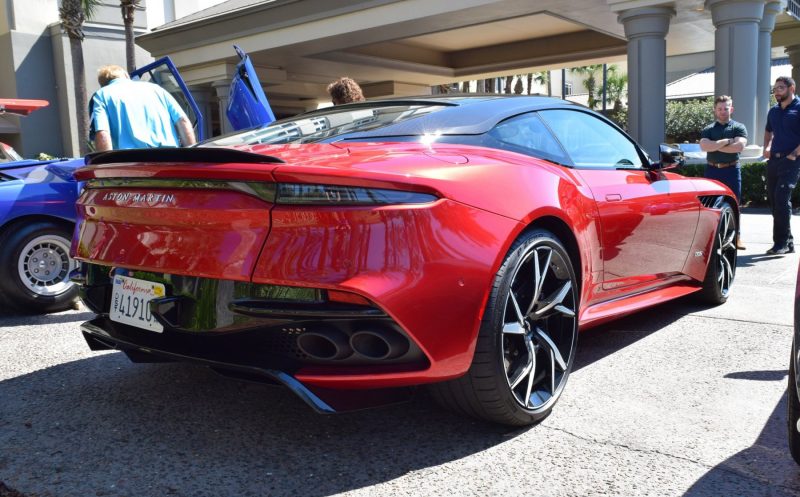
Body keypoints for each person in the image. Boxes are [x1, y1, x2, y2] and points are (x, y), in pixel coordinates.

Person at [90, 65, 196, 151]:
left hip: (130, 162)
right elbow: (183, 121)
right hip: (168, 158)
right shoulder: (158, 90)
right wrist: (191, 158)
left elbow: (102, 132)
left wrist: (106, 168)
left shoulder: (102, 95)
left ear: (103, 84)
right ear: (126, 76)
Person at [699, 95, 748, 250]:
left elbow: (739, 147)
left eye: (725, 108)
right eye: (719, 109)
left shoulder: (738, 127)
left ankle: (736, 237)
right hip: (712, 170)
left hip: (731, 170)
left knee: (734, 204)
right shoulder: (708, 129)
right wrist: (727, 141)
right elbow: (704, 146)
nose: (722, 111)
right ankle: (711, 237)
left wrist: (715, 145)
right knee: (711, 205)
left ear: (731, 109)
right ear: (715, 110)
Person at [763, 76, 800, 255]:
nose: (776, 91)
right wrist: (767, 146)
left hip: (792, 160)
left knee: (781, 199)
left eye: (780, 88)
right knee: (773, 201)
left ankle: (781, 244)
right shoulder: (773, 111)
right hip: (774, 161)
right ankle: (788, 242)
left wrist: (794, 154)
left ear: (791, 88)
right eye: (775, 88)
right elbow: (768, 130)